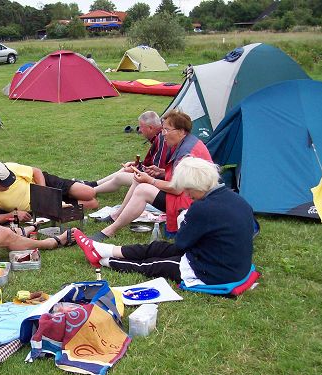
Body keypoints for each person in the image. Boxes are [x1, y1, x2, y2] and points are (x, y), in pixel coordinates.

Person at [74, 157, 254, 286]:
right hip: (231, 262)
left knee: (155, 265)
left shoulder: (203, 208)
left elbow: (182, 242)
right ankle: (104, 249)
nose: (187, 194)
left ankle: (104, 260)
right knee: (160, 248)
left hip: (215, 272)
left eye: (187, 189)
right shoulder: (235, 198)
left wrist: (184, 218)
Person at [91, 110, 212, 241]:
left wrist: (151, 180)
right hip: (191, 194)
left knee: (143, 190)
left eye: (167, 130)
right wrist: (162, 172)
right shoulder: (185, 143)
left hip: (193, 200)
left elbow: (177, 189)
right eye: (163, 129)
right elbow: (187, 176)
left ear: (182, 131)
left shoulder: (186, 153)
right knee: (139, 182)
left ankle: (110, 230)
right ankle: (116, 215)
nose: (163, 134)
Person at [80, 111, 172, 195]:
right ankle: (93, 184)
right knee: (126, 169)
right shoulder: (159, 137)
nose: (140, 130)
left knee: (120, 177)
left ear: (150, 128)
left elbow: (155, 171)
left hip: (160, 182)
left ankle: (89, 191)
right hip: (162, 178)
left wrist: (138, 168)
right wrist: (138, 165)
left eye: (141, 127)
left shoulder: (161, 139)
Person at [0, 161, 98, 223]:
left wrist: (44, 192)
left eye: (10, 180)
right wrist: (13, 214)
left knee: (90, 193)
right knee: (93, 204)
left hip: (43, 184)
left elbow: (36, 172)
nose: (9, 185)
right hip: (37, 209)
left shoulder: (10, 167)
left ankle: (74, 186)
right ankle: (62, 202)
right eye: (4, 184)